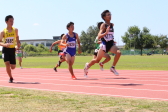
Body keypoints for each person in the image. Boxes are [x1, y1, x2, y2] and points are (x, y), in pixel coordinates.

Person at [84, 10, 121, 77]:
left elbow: (110, 35)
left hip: (111, 44)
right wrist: (106, 33)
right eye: (108, 15)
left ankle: (112, 67)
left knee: (118, 52)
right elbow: (99, 36)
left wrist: (112, 39)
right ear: (104, 17)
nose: (110, 16)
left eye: (110, 14)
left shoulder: (112, 25)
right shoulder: (103, 25)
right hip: (104, 45)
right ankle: (87, 66)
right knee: (97, 60)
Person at [0, 15, 20, 83]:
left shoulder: (15, 30)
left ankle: (11, 68)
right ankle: (11, 77)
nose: (12, 22)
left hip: (12, 50)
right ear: (6, 22)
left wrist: (18, 44)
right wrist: (4, 44)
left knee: (13, 67)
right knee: (7, 64)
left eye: (13, 21)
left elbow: (17, 37)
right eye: (10, 21)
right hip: (5, 50)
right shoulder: (3, 32)